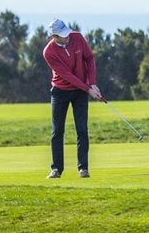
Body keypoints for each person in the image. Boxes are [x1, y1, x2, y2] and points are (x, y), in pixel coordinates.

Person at [42, 18, 103, 178]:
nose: (67, 36)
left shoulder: (77, 37)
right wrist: (88, 88)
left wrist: (93, 83)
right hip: (60, 91)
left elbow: (89, 58)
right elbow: (67, 76)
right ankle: (56, 169)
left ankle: (83, 168)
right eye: (62, 35)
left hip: (80, 92)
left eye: (67, 32)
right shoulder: (49, 52)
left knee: (82, 129)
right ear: (54, 36)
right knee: (57, 131)